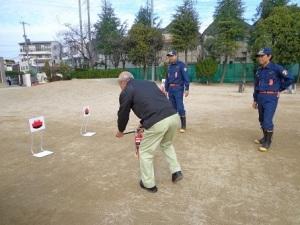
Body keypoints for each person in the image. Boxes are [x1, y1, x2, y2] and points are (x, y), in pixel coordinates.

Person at [116, 71, 183, 193]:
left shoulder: (126, 91)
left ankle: (148, 184)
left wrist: (121, 130)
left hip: (158, 121)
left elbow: (123, 113)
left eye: (119, 84)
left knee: (145, 152)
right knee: (166, 144)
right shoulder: (149, 83)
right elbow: (153, 103)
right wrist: (143, 123)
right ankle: (176, 171)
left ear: (122, 82)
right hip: (173, 116)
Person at [253, 48, 294, 152]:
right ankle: (264, 138)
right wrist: (255, 99)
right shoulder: (259, 70)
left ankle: (268, 142)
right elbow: (256, 85)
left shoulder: (277, 68)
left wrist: (279, 88)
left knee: (267, 120)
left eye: (262, 56)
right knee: (261, 119)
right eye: (259, 56)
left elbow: (290, 78)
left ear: (269, 56)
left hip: (271, 98)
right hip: (261, 97)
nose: (260, 58)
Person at [165, 50, 190, 133]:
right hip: (171, 90)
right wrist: (166, 89)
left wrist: (187, 88)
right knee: (172, 108)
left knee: (179, 107)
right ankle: (173, 125)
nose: (170, 58)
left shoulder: (181, 65)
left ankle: (183, 126)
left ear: (176, 56)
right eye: (169, 56)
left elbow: (186, 77)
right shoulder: (169, 66)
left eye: (172, 56)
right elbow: (167, 79)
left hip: (178, 89)